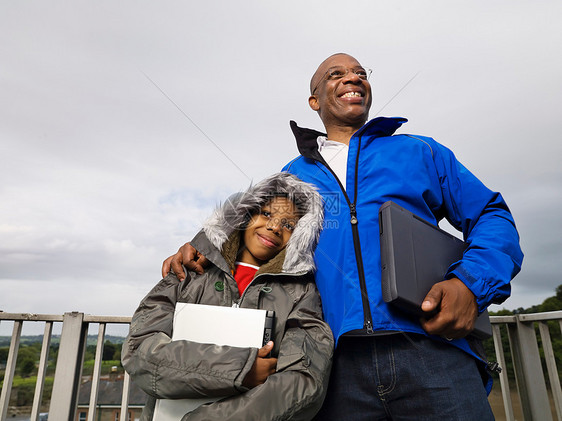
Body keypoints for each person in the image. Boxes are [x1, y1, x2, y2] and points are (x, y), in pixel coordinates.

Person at [163, 53, 524, 420]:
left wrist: (469, 284)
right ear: (315, 101)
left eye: (360, 73)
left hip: (433, 354)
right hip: (331, 366)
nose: (353, 78)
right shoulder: (293, 175)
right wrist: (202, 247)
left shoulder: (421, 151)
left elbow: (491, 216)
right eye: (336, 74)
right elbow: (255, 234)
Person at [123, 172, 334, 421]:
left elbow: (303, 382)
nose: (275, 227)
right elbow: (139, 351)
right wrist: (242, 369)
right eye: (266, 213)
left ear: (299, 237)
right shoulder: (188, 272)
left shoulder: (301, 293)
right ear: (245, 214)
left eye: (289, 225)